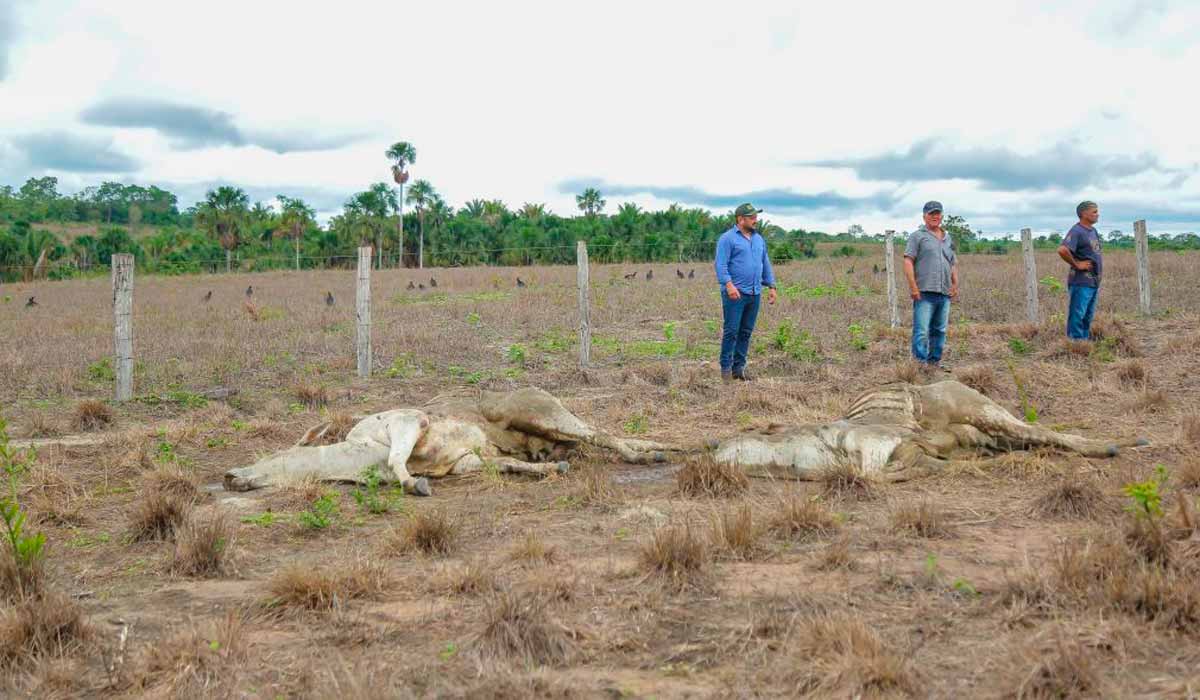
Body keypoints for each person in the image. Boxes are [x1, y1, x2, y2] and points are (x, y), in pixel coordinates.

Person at [714, 203, 777, 381]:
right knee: (731, 331)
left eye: (756, 217)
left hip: (754, 292)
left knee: (746, 332)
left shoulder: (759, 240)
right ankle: (726, 369)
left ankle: (738, 369)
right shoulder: (727, 239)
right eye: (751, 217)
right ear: (740, 219)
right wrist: (729, 285)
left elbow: (765, 263)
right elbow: (721, 264)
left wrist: (771, 286)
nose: (755, 220)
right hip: (735, 293)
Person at [903, 201, 958, 369]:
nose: (935, 216)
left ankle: (934, 362)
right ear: (924, 216)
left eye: (937, 213)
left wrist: (955, 283)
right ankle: (919, 365)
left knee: (940, 330)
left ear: (941, 216)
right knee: (921, 331)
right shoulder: (917, 236)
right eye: (931, 213)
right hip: (924, 291)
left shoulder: (948, 238)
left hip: (944, 291)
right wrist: (913, 287)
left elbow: (953, 263)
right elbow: (908, 261)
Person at [1057, 201, 1102, 340]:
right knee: (1078, 314)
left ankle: (1083, 343)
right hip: (1081, 281)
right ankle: (1075, 345)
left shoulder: (1092, 230)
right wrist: (1077, 264)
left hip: (1093, 282)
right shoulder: (1077, 231)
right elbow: (1062, 250)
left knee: (1087, 315)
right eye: (1094, 211)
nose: (1097, 214)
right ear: (1083, 214)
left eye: (1097, 211)